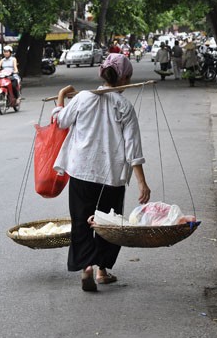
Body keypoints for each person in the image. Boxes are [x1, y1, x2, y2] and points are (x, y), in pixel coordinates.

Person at [52, 53, 151, 292]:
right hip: (111, 177)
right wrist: (142, 183)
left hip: (81, 172)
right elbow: (132, 148)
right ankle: (102, 270)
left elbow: (61, 121)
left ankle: (86, 267)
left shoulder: (83, 98)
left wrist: (61, 97)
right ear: (125, 78)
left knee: (81, 222)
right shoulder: (124, 106)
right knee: (109, 224)